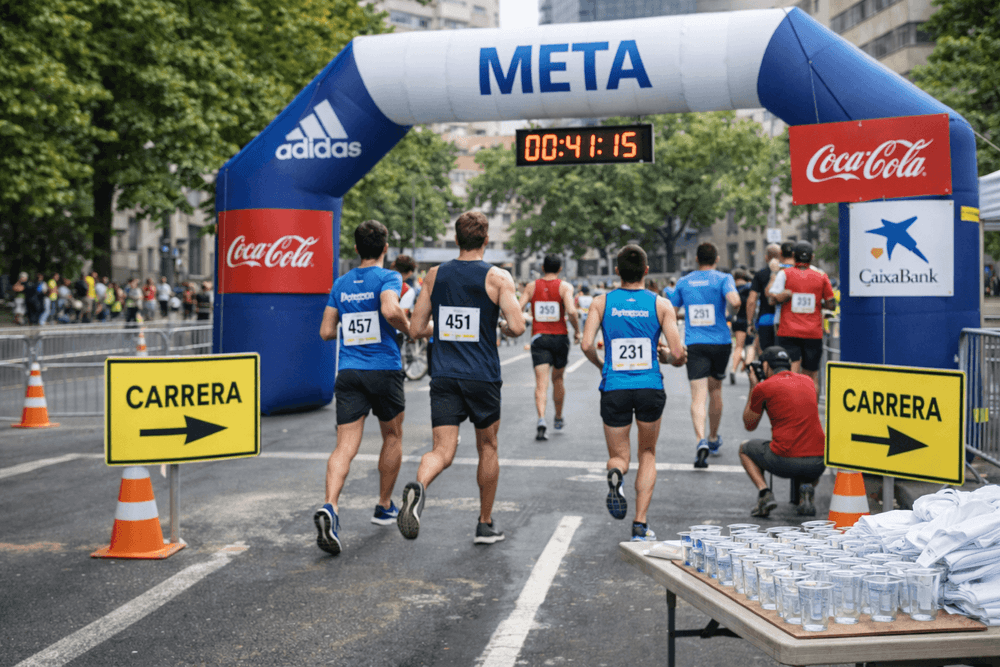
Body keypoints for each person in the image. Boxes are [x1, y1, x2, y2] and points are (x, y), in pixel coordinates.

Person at [400, 211, 526, 545]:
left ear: (456, 239)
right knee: (488, 446)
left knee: (441, 451)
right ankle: (485, 524)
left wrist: (443, 328)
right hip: (482, 376)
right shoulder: (498, 277)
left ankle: (419, 486)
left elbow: (416, 329)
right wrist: (499, 325)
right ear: (486, 240)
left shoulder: (434, 275)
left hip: (444, 374)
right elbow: (517, 327)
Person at [314, 220, 411, 556]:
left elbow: (326, 331)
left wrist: (352, 325)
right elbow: (390, 308)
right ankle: (384, 505)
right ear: (385, 248)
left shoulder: (341, 283)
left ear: (356, 248)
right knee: (392, 436)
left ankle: (330, 505)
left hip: (349, 371)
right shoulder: (388, 277)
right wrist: (408, 328)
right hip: (384, 369)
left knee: (345, 446)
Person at [581, 244, 686, 542]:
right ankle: (640, 524)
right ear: (646, 271)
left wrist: (602, 365)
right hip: (650, 386)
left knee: (619, 456)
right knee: (647, 453)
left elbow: (586, 344)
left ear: (617, 271)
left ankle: (617, 473)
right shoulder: (661, 304)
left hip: (615, 386)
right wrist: (667, 357)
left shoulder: (601, 302)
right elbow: (678, 353)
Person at [670, 243, 741, 468]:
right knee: (715, 390)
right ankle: (712, 438)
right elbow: (735, 301)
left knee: (698, 396)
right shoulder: (723, 279)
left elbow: (671, 312)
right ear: (717, 258)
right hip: (720, 342)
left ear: (696, 259)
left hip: (695, 343)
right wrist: (732, 314)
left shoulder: (684, 282)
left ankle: (700, 439)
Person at [740, 346, 826, 517]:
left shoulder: (763, 387)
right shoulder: (808, 381)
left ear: (765, 365)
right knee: (805, 445)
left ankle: (765, 493)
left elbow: (749, 425)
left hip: (785, 461)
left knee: (744, 449)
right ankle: (806, 487)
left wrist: (753, 387)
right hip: (818, 462)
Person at [518, 254, 580, 441]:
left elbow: (518, 308)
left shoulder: (531, 286)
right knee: (558, 379)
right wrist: (577, 331)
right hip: (560, 338)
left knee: (540, 382)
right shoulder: (565, 287)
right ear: (560, 269)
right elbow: (571, 311)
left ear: (542, 268)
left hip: (539, 338)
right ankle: (558, 417)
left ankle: (541, 419)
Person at [768, 242, 836, 394]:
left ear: (793, 256)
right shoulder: (821, 276)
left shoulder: (784, 274)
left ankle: (791, 404)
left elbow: (772, 299)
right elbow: (831, 304)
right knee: (811, 376)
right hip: (813, 333)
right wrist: (819, 303)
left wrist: (783, 296)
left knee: (789, 373)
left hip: (788, 331)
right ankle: (811, 407)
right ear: (812, 257)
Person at [746, 243, 782, 354]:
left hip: (765, 318)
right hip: (784, 319)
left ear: (766, 257)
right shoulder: (786, 272)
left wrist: (749, 322)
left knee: (766, 353)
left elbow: (752, 300)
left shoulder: (760, 274)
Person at [729, 269, 756, 384]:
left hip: (737, 319)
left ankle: (733, 370)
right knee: (751, 346)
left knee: (738, 346)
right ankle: (749, 367)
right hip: (750, 319)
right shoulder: (751, 287)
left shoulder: (732, 289)